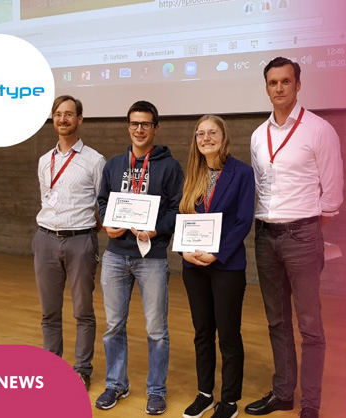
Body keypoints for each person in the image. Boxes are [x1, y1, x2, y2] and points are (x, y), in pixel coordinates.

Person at [245, 57, 343, 418]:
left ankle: (311, 404)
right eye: (273, 82)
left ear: (298, 85)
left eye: (286, 81)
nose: (279, 88)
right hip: (265, 236)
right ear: (266, 88)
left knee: (310, 326)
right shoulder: (259, 135)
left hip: (302, 235)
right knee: (277, 321)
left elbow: (332, 196)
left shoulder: (319, 130)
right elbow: (261, 187)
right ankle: (283, 393)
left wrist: (307, 230)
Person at [95, 101, 184, 415]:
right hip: (116, 256)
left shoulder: (170, 167)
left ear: (156, 128)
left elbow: (177, 209)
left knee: (156, 330)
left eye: (146, 124)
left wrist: (157, 230)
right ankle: (116, 384)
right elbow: (103, 201)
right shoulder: (114, 165)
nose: (139, 129)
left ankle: (156, 391)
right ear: (128, 126)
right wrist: (108, 223)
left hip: (152, 257)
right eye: (134, 123)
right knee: (113, 326)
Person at [180, 115, 255, 418]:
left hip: (226, 265)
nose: (206, 138)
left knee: (228, 335)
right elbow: (184, 215)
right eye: (200, 134)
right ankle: (205, 394)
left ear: (224, 137)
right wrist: (184, 250)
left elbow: (243, 221)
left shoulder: (242, 173)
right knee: (202, 333)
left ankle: (230, 400)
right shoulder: (193, 172)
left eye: (212, 133)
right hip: (194, 266)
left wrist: (217, 253)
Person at [33, 95, 105, 391]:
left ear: (80, 120)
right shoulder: (44, 160)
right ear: (53, 119)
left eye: (69, 114)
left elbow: (102, 204)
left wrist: (86, 232)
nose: (63, 119)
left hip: (80, 242)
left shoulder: (94, 160)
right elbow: (46, 199)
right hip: (45, 240)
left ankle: (82, 369)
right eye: (58, 114)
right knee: (49, 312)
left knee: (83, 311)